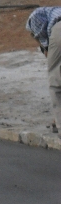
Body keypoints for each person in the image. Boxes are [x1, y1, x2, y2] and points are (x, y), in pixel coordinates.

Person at [26, 7, 61, 137]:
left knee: (56, 84)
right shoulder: (53, 11)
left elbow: (40, 36)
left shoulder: (33, 18)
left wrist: (45, 46)